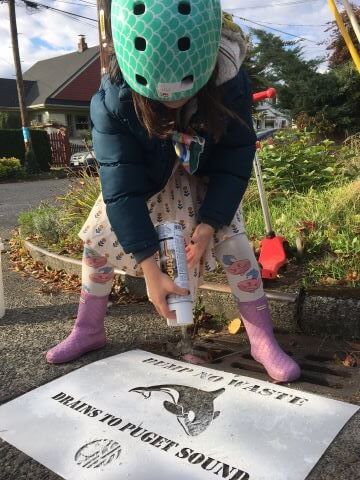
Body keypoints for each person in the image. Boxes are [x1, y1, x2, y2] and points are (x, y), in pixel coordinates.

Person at [46, 0, 300, 383]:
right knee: (97, 244)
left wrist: (211, 223)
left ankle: (261, 339)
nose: (171, 102)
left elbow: (234, 157)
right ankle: (89, 328)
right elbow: (120, 187)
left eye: (183, 89)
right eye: (159, 96)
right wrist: (149, 268)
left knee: (236, 248)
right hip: (146, 180)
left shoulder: (227, 81)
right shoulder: (114, 97)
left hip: (203, 178)